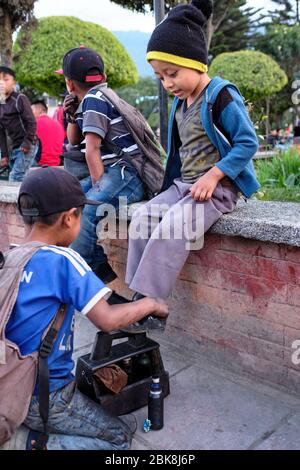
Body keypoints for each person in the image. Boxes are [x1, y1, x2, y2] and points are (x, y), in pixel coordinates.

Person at [4, 166, 168, 450]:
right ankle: (26, 443)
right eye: (81, 216)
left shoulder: (10, 257)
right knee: (120, 438)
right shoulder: (64, 260)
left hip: (9, 383)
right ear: (69, 218)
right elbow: (107, 319)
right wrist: (149, 303)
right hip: (45, 394)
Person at [124, 0, 260, 332]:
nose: (167, 83)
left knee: (172, 226)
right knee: (142, 217)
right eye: (161, 77)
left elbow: (248, 143)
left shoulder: (221, 96)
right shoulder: (180, 102)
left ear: (195, 62)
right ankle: (139, 295)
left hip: (217, 191)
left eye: (172, 73)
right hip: (184, 187)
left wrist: (215, 175)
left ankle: (154, 304)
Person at [56, 47, 147, 300]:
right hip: (116, 172)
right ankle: (100, 275)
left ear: (70, 83)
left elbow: (92, 151)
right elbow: (74, 140)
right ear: (103, 74)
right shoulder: (93, 98)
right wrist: (72, 113)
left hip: (125, 174)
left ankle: (79, 272)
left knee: (88, 212)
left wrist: (96, 191)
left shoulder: (96, 99)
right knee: (72, 207)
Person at [0, 66, 37, 181]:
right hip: (14, 147)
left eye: (6, 80)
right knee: (14, 176)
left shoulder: (20, 99)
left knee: (16, 177)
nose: (2, 83)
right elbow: (1, 131)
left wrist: (26, 143)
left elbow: (31, 122)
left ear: (13, 83)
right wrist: (5, 155)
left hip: (27, 144)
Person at [31, 100, 64, 167]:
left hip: (39, 164)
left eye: (32, 110)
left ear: (40, 110)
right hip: (57, 163)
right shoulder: (58, 125)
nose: (30, 113)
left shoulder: (34, 124)